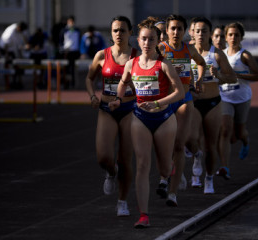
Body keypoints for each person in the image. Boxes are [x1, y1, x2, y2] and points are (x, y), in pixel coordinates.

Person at [109, 17, 184, 228]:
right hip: (140, 118)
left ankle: (168, 171)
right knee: (142, 164)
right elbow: (123, 84)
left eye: (151, 39)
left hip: (164, 119)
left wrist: (159, 104)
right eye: (143, 39)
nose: (146, 43)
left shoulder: (163, 64)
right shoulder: (132, 64)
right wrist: (117, 99)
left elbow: (179, 92)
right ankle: (143, 215)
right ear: (138, 40)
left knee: (163, 166)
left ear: (158, 41)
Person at [85, 16, 138, 217]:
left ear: (130, 33)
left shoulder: (137, 56)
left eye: (123, 30)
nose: (118, 34)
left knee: (125, 159)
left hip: (130, 109)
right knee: (103, 157)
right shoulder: (101, 55)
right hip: (106, 109)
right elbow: (89, 78)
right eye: (115, 30)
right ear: (111, 33)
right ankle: (110, 171)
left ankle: (122, 201)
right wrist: (92, 95)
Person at [157, 14, 206, 207]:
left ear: (185, 31)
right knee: (164, 146)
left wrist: (198, 80)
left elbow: (201, 63)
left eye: (179, 29)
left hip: (184, 100)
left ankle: (172, 192)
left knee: (179, 145)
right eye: (173, 28)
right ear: (167, 31)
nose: (176, 32)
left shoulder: (189, 49)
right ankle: (170, 174)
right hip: (166, 101)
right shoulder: (161, 49)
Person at [189, 17, 237, 194]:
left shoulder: (216, 54)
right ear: (192, 32)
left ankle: (208, 178)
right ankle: (196, 155)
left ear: (210, 33)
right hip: (193, 102)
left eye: (205, 31)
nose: (201, 34)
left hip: (212, 103)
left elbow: (232, 78)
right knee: (190, 139)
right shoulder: (187, 52)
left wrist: (218, 75)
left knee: (210, 146)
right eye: (198, 31)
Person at [218, 22, 258, 179]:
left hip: (242, 98)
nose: (233, 38)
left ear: (241, 37)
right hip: (225, 97)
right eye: (230, 34)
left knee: (238, 133)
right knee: (225, 131)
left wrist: (239, 76)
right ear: (226, 36)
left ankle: (245, 140)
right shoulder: (221, 54)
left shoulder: (245, 55)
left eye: (236, 35)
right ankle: (225, 167)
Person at [59, 15, 81, 88]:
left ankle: (73, 83)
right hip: (66, 52)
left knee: (73, 68)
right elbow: (61, 41)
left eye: (72, 21)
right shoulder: (64, 30)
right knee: (66, 68)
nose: (71, 23)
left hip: (75, 52)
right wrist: (62, 49)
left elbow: (79, 40)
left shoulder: (77, 30)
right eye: (69, 21)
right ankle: (66, 83)